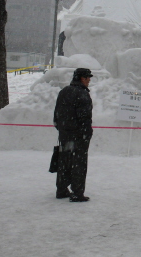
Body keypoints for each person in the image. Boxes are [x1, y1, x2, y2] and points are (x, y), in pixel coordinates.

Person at [53, 68, 94, 202]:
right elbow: (85, 118)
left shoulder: (63, 92)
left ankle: (61, 189)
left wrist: (62, 129)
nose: (89, 81)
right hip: (79, 136)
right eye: (88, 78)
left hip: (64, 135)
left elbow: (56, 115)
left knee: (64, 162)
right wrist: (86, 134)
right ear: (82, 78)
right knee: (79, 164)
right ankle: (77, 192)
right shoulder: (82, 94)